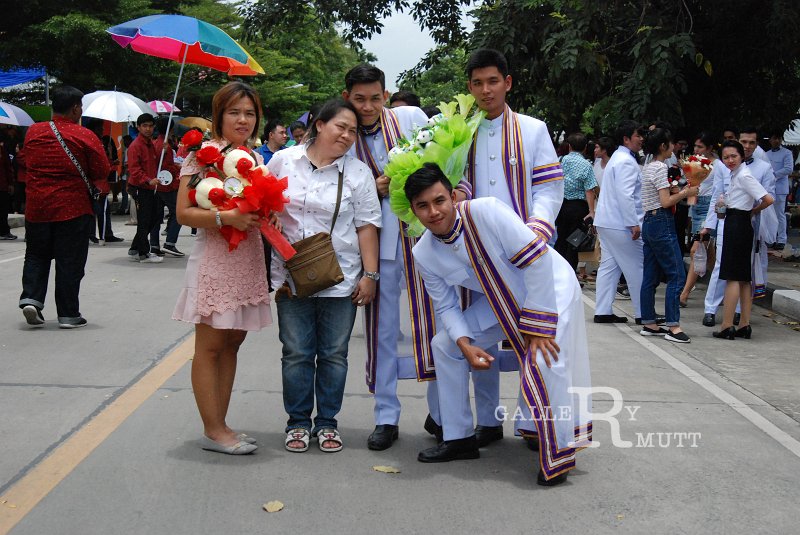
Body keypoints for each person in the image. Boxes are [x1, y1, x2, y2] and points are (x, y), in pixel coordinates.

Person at [406, 163, 591, 486]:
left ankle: (558, 451)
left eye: (439, 201)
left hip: (550, 288)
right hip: (500, 301)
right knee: (445, 346)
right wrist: (466, 344)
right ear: (413, 211)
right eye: (422, 206)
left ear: (452, 196)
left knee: (544, 357)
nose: (433, 212)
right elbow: (447, 306)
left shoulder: (486, 211)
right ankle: (458, 437)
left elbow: (535, 260)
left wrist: (536, 322)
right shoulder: (424, 253)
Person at [453, 48, 565, 449]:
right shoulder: (460, 131)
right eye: (478, 83)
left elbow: (549, 188)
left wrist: (536, 230)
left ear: (508, 83)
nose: (486, 90)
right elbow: (459, 183)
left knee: (532, 332)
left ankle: (533, 420)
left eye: (493, 81)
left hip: (525, 251)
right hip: (476, 254)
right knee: (480, 336)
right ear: (470, 87)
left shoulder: (534, 129)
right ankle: (486, 420)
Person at [269, 98, 381, 454]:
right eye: (340, 127)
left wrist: (370, 275)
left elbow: (366, 227)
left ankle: (328, 422)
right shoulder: (283, 162)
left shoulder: (359, 173)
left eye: (353, 131)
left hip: (342, 277)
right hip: (292, 277)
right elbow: (262, 207)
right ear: (319, 124)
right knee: (297, 352)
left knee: (334, 354)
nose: (347, 136)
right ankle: (298, 422)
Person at [173, 81, 271, 455]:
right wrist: (225, 216)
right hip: (215, 258)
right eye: (234, 112)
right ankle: (212, 429)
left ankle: (222, 423)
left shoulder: (257, 159)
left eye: (249, 113)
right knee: (211, 344)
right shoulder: (200, 156)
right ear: (219, 116)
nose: (243, 119)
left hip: (247, 258)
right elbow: (184, 213)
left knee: (233, 340)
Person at [342, 63, 431, 451]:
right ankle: (385, 416)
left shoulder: (410, 118)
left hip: (424, 239)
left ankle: (443, 414)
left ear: (385, 93)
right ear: (347, 97)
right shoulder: (341, 132)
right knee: (382, 332)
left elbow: (439, 163)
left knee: (435, 326)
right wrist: (371, 188)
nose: (367, 106)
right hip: (378, 246)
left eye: (375, 98)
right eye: (359, 99)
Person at [17, 86, 110, 328]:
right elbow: (101, 169)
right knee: (69, 261)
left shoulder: (33, 132)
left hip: (37, 207)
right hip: (73, 208)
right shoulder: (85, 135)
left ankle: (31, 300)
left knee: (36, 255)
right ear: (76, 108)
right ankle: (68, 314)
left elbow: (25, 160)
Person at [701, 127, 776, 327]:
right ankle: (742, 324)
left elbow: (768, 198)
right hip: (733, 221)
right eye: (726, 157)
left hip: (740, 223)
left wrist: (752, 211)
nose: (730, 160)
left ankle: (727, 324)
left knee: (733, 276)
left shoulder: (746, 174)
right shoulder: (734, 172)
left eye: (734, 156)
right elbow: (717, 195)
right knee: (740, 276)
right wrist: (710, 223)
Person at [639, 128, 697, 343]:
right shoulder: (660, 168)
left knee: (650, 275)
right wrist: (686, 193)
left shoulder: (648, 167)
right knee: (677, 275)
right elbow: (665, 202)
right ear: (663, 146)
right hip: (661, 222)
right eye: (671, 144)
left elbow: (660, 195)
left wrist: (678, 189)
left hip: (649, 221)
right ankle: (673, 326)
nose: (674, 148)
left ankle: (649, 322)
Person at [593, 120, 645, 324]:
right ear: (626, 139)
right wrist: (633, 223)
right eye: (637, 135)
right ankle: (644, 313)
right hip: (619, 223)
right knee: (636, 267)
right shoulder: (625, 161)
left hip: (607, 221)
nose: (641, 139)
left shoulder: (617, 158)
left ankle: (603, 310)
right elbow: (626, 195)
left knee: (609, 266)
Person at [680, 132, 718, 307]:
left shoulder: (718, 166)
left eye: (700, 147)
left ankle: (684, 293)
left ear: (710, 148)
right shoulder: (693, 163)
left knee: (697, 250)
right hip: (696, 206)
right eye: (695, 146)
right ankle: (721, 285)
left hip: (708, 208)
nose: (696, 150)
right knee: (709, 256)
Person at [554, 132, 597, 272]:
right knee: (574, 243)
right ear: (585, 147)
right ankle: (570, 273)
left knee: (560, 240)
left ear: (569, 146)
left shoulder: (561, 160)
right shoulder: (587, 165)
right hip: (579, 209)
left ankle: (557, 271)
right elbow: (589, 189)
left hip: (562, 206)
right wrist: (591, 211)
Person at [126, 113, 163, 263]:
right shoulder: (136, 146)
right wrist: (148, 181)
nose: (148, 129)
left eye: (150, 125)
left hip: (149, 187)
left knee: (154, 217)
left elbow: (152, 164)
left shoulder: (150, 144)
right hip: (140, 187)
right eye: (144, 126)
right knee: (144, 220)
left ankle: (135, 248)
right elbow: (134, 170)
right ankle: (143, 253)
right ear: (139, 127)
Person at [150, 116, 183, 257]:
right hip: (166, 185)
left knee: (156, 216)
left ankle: (154, 245)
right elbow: (166, 166)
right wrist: (178, 167)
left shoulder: (155, 143)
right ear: (170, 129)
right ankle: (170, 243)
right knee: (178, 213)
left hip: (156, 185)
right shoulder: (165, 146)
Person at [766, 131, 792, 250]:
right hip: (768, 189)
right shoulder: (766, 154)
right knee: (769, 215)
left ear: (781, 140)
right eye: (774, 138)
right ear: (770, 140)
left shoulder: (787, 153)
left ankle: (781, 239)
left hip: (780, 189)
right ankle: (771, 238)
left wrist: (773, 175)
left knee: (779, 215)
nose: (776, 141)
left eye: (778, 138)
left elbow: (788, 169)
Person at [0, 138, 16, 239]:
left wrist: (10, 183)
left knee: (2, 209)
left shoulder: (2, 150)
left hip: (2, 185)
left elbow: (7, 167)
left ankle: (3, 231)